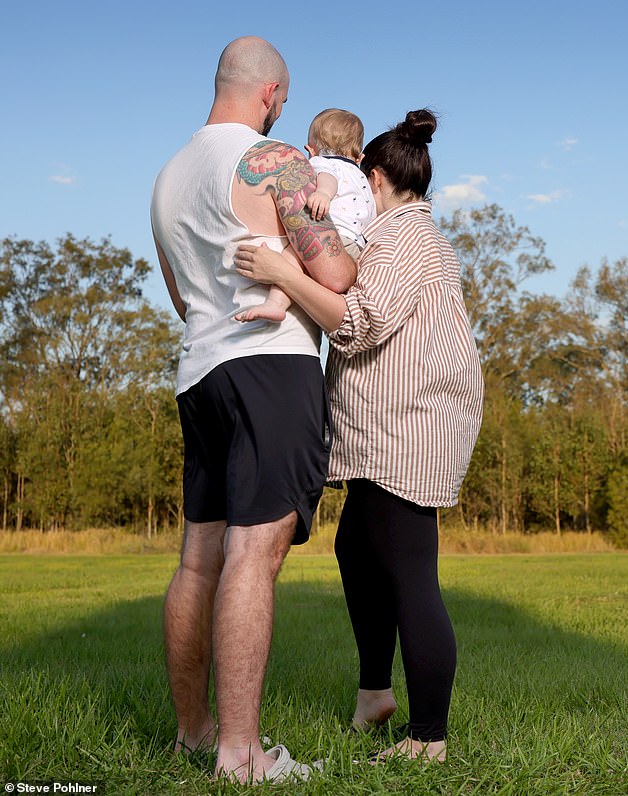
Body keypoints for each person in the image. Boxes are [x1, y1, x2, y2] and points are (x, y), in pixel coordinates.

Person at [235, 108, 484, 765]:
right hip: (388, 430)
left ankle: (428, 738)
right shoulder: (403, 237)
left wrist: (286, 277)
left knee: (410, 575)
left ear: (374, 179)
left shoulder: (404, 238)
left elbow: (361, 322)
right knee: (356, 549)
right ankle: (376, 694)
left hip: (408, 432)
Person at [150, 36, 356, 783]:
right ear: (271, 94)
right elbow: (334, 267)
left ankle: (195, 735)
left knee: (197, 559)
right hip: (270, 367)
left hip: (199, 370)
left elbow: (181, 298)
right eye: (285, 102)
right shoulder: (273, 161)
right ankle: (242, 756)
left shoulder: (167, 178)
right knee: (252, 555)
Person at [236, 108, 375, 323]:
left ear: (311, 149)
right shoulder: (363, 179)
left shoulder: (322, 162)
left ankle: (276, 303)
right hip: (357, 247)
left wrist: (323, 193)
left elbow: (328, 178)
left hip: (334, 237)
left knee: (296, 253)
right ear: (360, 157)